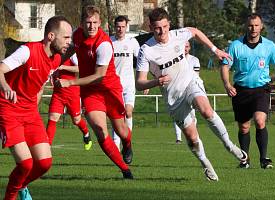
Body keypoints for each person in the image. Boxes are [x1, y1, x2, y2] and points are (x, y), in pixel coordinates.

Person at [136, 7, 248, 181]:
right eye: (157, 28)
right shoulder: (146, 50)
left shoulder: (177, 34)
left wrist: (215, 50)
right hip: (173, 97)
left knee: (206, 110)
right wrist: (155, 82)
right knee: (192, 138)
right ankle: (205, 163)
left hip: (190, 82)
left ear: (169, 25)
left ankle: (229, 145)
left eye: (165, 26)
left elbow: (194, 32)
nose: (162, 31)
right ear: (151, 27)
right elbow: (139, 82)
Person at [56, 5, 133, 179]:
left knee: (121, 130)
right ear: (82, 23)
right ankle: (125, 170)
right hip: (91, 92)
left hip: (109, 89)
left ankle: (127, 143)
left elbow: (99, 76)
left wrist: (70, 82)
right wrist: (52, 65)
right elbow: (68, 51)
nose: (92, 26)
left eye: (95, 22)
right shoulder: (76, 35)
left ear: (100, 23)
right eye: (88, 22)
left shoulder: (104, 44)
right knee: (99, 128)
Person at [0, 16, 72, 200]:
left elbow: (38, 83)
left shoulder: (56, 60)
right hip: (9, 108)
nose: (69, 42)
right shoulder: (27, 51)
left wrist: (35, 103)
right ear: (50, 36)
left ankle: (21, 184)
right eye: (66, 37)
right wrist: (7, 88)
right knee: (25, 164)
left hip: (30, 112)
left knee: (44, 163)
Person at [220, 13, 275, 169]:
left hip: (261, 90)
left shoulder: (269, 46)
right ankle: (245, 160)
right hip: (240, 90)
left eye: (256, 25)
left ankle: (264, 159)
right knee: (244, 127)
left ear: (261, 26)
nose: (253, 28)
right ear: (246, 26)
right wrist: (227, 85)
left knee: (260, 120)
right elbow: (224, 66)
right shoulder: (235, 46)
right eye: (250, 25)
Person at [46, 53, 92, 150]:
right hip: (58, 92)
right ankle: (46, 147)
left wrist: (63, 67)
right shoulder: (55, 55)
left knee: (76, 120)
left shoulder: (72, 54)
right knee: (53, 118)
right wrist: (52, 75)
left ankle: (86, 133)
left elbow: (80, 68)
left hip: (72, 92)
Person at [110, 15, 140, 150]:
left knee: (128, 112)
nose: (120, 29)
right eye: (118, 27)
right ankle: (115, 145)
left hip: (128, 84)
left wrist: (143, 79)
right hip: (114, 85)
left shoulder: (132, 42)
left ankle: (127, 142)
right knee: (117, 115)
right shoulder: (109, 42)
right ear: (114, 27)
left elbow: (142, 61)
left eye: (123, 27)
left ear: (126, 27)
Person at [173, 41, 200, 144]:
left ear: (189, 48)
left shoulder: (194, 60)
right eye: (183, 47)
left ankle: (194, 135)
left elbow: (196, 76)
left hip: (190, 90)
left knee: (192, 115)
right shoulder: (175, 60)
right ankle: (178, 138)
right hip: (177, 90)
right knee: (178, 115)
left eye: (187, 46)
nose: (185, 48)